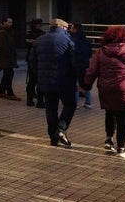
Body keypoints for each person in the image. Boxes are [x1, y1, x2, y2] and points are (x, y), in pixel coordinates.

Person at [82, 25, 125, 158]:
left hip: (107, 88)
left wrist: (86, 85)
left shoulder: (100, 52)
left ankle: (109, 139)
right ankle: (121, 148)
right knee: (124, 118)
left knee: (110, 111)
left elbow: (92, 71)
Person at [29, 18, 77, 147]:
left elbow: (32, 62)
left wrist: (40, 75)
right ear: (62, 28)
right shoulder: (68, 41)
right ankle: (61, 129)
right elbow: (74, 63)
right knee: (70, 105)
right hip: (65, 82)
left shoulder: (39, 40)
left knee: (51, 108)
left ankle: (53, 137)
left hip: (45, 82)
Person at [69, 23, 93, 109]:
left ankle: (75, 104)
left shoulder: (72, 40)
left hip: (75, 64)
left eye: (71, 28)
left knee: (75, 84)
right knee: (86, 84)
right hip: (85, 64)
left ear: (75, 29)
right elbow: (90, 54)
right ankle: (88, 102)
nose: (70, 30)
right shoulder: (86, 40)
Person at [0, 17, 20, 100]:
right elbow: (3, 46)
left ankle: (2, 92)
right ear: (4, 23)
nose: (11, 24)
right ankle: (10, 93)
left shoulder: (8, 32)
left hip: (8, 57)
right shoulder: (2, 33)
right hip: (6, 58)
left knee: (7, 74)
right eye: (9, 22)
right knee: (9, 74)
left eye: (11, 22)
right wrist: (10, 55)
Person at [25, 18, 46, 107]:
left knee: (33, 80)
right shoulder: (37, 35)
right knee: (36, 80)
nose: (41, 26)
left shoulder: (32, 35)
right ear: (35, 25)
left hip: (34, 59)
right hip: (36, 59)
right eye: (39, 24)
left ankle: (32, 99)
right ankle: (37, 101)